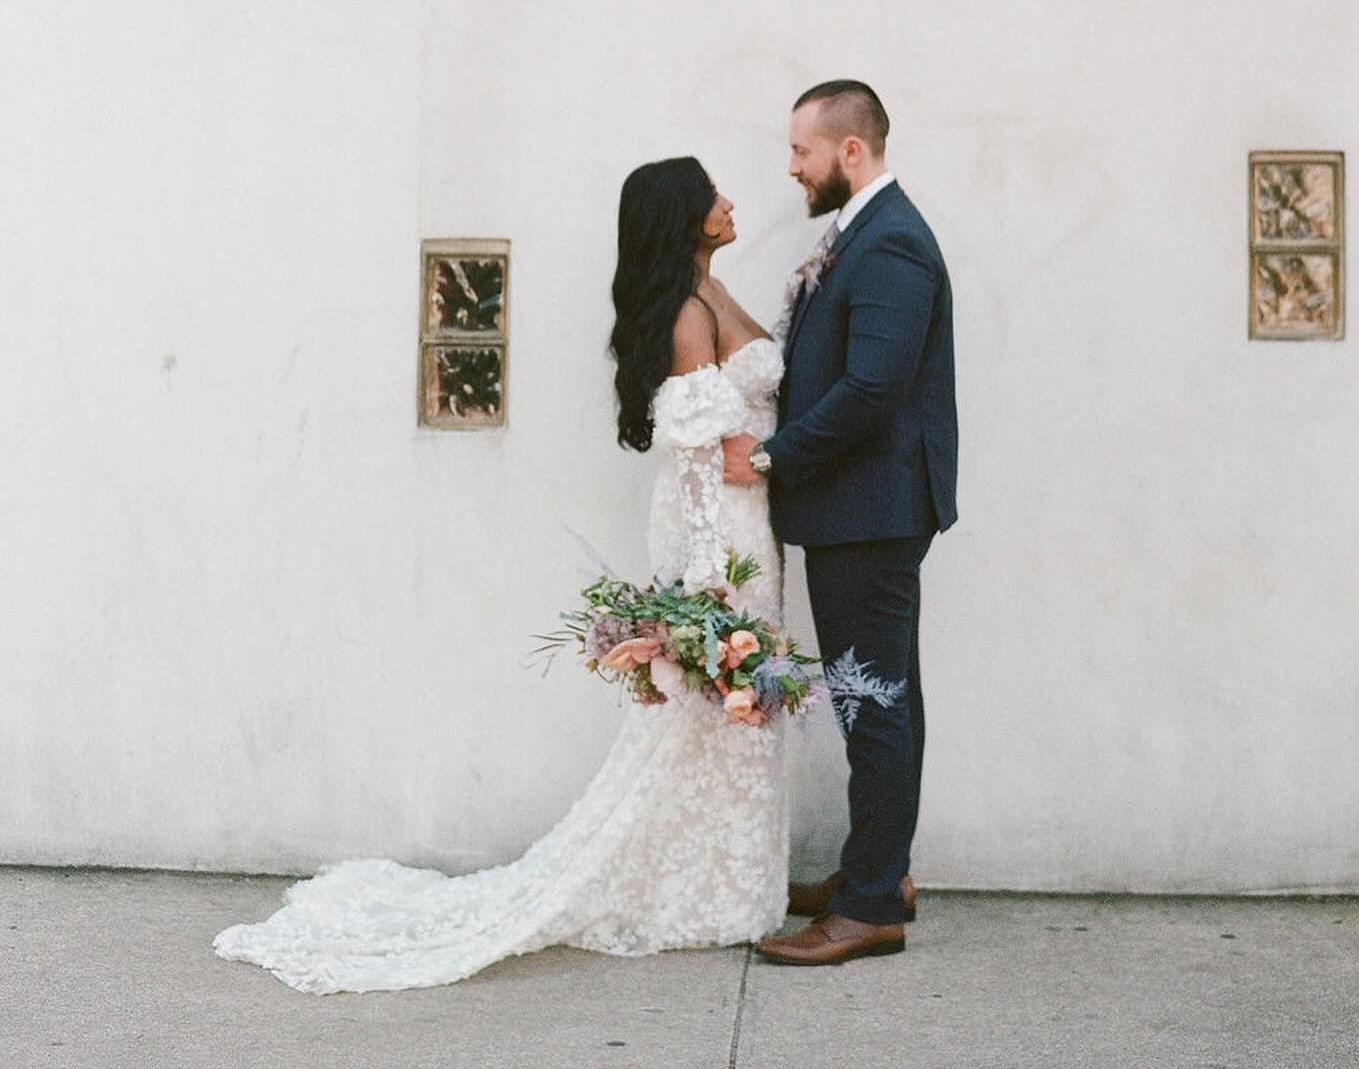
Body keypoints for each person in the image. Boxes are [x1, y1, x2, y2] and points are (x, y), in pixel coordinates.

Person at [213, 157, 787, 992]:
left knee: (728, 712)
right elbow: (699, 461)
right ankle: (702, 891)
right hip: (718, 532)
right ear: (688, 217)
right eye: (715, 197)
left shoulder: (710, 290)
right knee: (708, 702)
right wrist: (706, 580)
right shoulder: (689, 317)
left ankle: (729, 881)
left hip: (747, 522)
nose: (731, 203)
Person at [723, 80, 958, 966]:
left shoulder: (892, 243)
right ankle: (880, 871)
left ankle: (868, 908)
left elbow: (873, 389)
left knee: (875, 701)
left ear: (848, 151)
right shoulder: (865, 231)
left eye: (801, 152)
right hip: (866, 511)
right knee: (886, 694)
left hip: (873, 512)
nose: (792, 169)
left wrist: (776, 456)